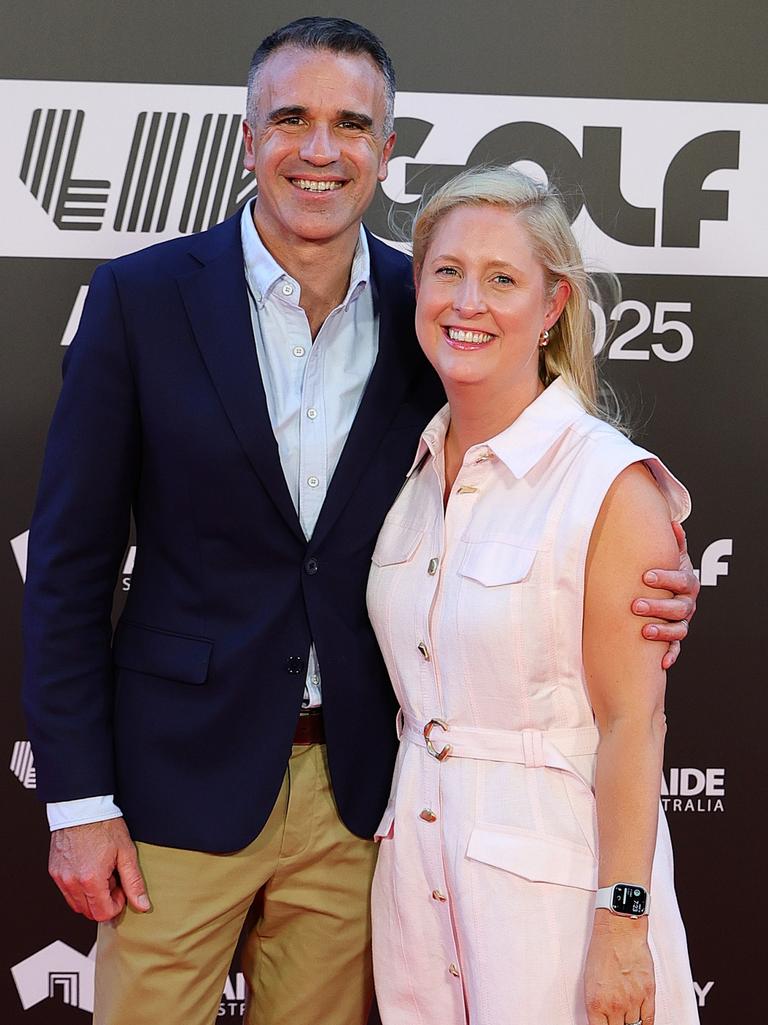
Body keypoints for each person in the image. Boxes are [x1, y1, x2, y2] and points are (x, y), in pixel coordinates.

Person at [22, 18, 697, 1025]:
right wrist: (78, 801)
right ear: (248, 138)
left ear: (388, 150)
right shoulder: (140, 298)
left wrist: (629, 550)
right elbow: (69, 568)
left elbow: (524, 455)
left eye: (352, 124)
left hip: (364, 804)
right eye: (291, 118)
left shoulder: (428, 303)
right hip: (172, 789)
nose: (320, 148)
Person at [367, 166, 700, 1025]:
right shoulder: (405, 477)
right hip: (416, 892)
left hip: (556, 900)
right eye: (447, 271)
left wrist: (622, 923)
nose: (467, 301)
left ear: (552, 306)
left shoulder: (608, 483)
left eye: (502, 279)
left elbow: (635, 722)